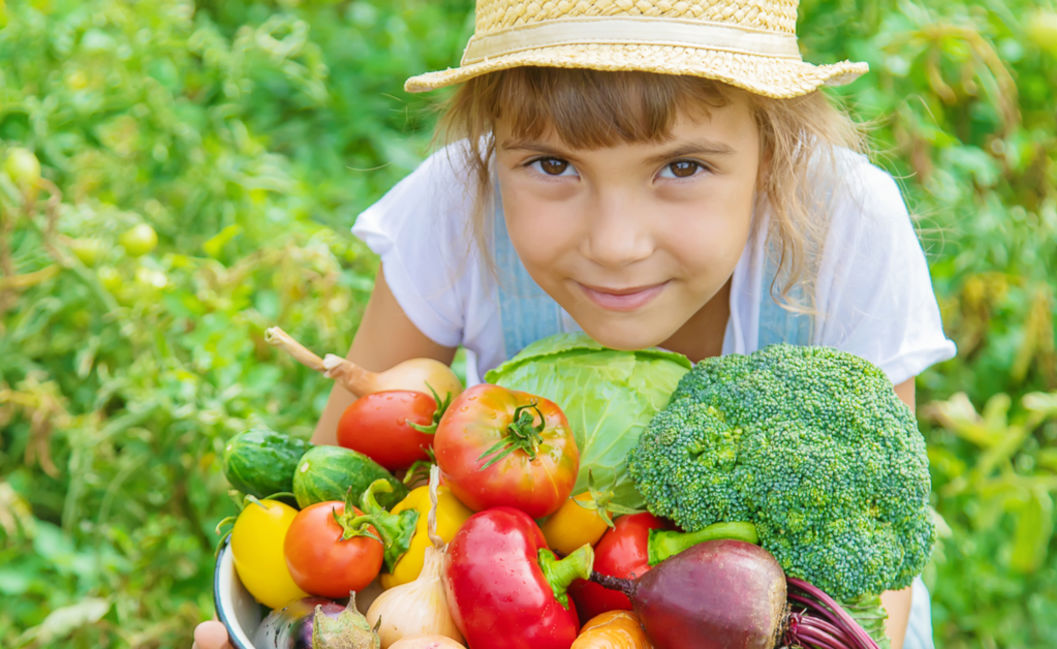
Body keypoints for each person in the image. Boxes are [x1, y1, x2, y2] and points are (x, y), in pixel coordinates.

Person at [194, 0, 956, 647]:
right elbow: (335, 500)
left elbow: (874, 553)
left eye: (682, 167)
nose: (616, 245)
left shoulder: (845, 228)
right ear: (492, 144)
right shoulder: (457, 206)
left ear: (774, 143)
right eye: (553, 166)